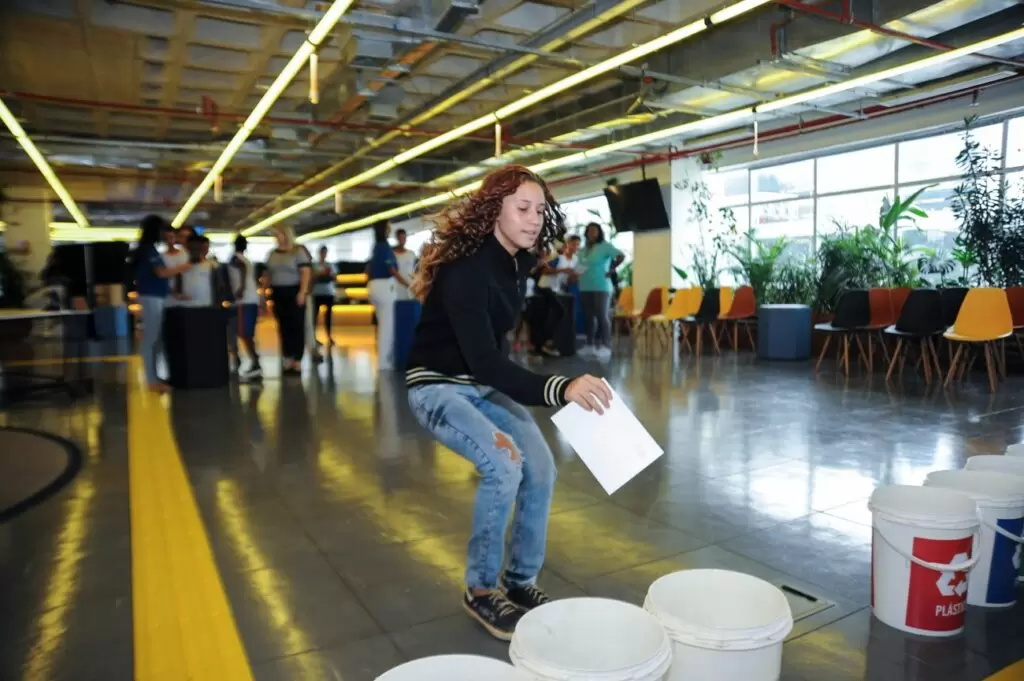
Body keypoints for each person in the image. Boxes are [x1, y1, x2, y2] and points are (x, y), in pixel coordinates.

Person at [405, 165, 612, 641]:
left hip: (480, 383)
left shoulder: (516, 263)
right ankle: (481, 590)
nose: (534, 219)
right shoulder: (465, 271)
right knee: (504, 464)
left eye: (540, 210)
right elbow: (486, 363)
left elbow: (492, 361)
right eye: (523, 208)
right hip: (437, 386)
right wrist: (561, 388)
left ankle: (519, 582)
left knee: (541, 466)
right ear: (493, 210)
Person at [131, 214, 191, 393]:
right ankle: (151, 380)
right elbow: (161, 273)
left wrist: (174, 293)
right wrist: (183, 267)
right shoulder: (148, 251)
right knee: (151, 338)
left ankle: (155, 377)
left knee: (155, 338)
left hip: (156, 296)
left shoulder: (149, 250)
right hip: (151, 298)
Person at [264, 226, 312, 375]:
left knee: (296, 325)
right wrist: (264, 292)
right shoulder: (272, 254)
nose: (276, 237)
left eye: (278, 234)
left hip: (294, 291)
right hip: (278, 292)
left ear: (286, 235)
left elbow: (305, 272)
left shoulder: (298, 251)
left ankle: (297, 359)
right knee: (283, 325)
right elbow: (267, 274)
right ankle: (288, 356)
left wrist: (302, 292)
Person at [367, 220, 410, 371]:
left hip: (373, 287)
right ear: (385, 230)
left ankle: (382, 360)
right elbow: (392, 270)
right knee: (387, 327)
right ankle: (385, 363)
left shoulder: (375, 247)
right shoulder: (385, 247)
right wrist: (407, 284)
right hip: (385, 287)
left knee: (381, 325)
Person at [577, 222, 624, 359]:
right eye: (589, 230)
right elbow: (579, 266)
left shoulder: (605, 246)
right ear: (586, 233)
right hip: (585, 286)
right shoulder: (583, 250)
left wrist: (612, 269)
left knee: (602, 316)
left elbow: (621, 256)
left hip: (601, 286)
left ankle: (606, 346)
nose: (592, 233)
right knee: (588, 317)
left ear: (599, 233)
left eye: (594, 230)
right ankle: (590, 345)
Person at [529, 235, 580, 356]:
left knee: (553, 315)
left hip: (556, 289)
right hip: (544, 286)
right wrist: (563, 270)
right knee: (557, 312)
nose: (575, 247)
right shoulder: (558, 257)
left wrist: (573, 277)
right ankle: (544, 342)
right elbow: (545, 270)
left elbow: (567, 280)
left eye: (577, 244)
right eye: (573, 244)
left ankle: (542, 344)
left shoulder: (575, 260)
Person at [227, 234, 262, 379]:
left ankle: (255, 362)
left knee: (244, 333)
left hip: (243, 300)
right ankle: (252, 361)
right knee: (246, 333)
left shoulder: (235, 259)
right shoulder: (247, 260)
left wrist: (240, 287)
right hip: (250, 299)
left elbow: (241, 270)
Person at [312, 245, 337, 346]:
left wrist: (324, 275)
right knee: (315, 316)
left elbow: (334, 277)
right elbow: (312, 278)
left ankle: (329, 335)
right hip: (317, 293)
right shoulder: (314, 266)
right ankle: (314, 336)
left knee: (328, 316)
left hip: (328, 293)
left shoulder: (330, 265)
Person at [392, 228, 418, 301]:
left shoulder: (411, 254)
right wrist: (407, 285)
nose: (402, 240)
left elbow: (415, 271)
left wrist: (415, 285)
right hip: (396, 290)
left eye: (403, 237)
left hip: (410, 290)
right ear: (397, 238)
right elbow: (393, 272)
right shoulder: (392, 254)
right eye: (400, 238)